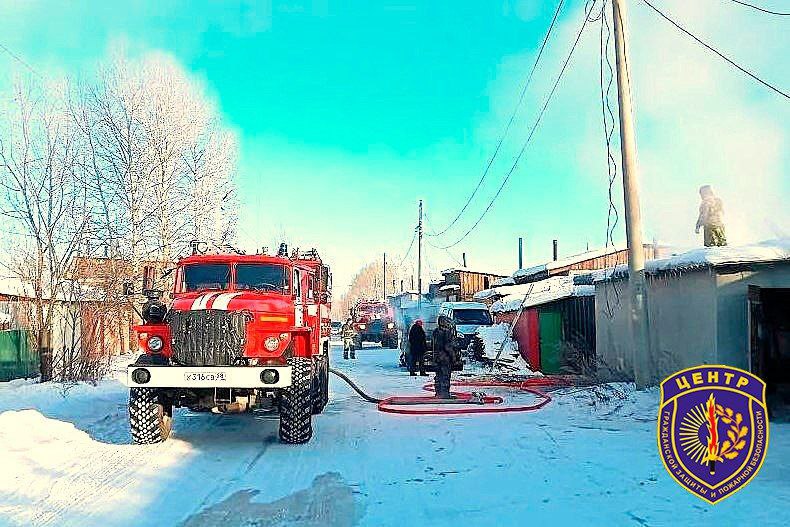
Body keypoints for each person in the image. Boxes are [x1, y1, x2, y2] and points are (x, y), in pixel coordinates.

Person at [432, 315, 456, 399]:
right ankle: (445, 394)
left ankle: (438, 392)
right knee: (445, 376)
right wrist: (453, 357)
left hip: (437, 356)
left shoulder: (436, 331)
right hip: (445, 357)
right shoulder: (447, 332)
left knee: (438, 375)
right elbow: (448, 347)